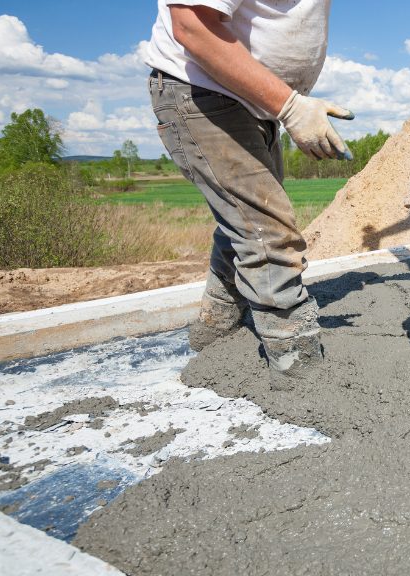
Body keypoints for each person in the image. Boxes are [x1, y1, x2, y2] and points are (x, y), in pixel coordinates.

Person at [144, 0, 352, 388]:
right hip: (202, 90)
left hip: (253, 102)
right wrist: (289, 106)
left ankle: (214, 336)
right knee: (267, 233)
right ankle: (300, 372)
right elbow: (191, 25)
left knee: (243, 222)